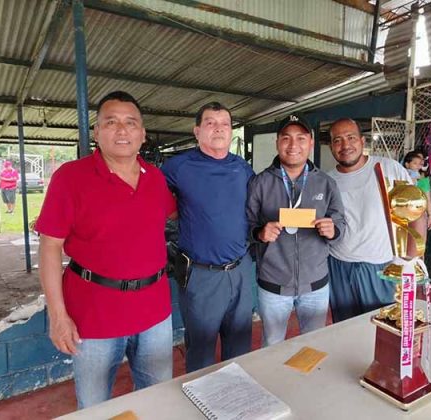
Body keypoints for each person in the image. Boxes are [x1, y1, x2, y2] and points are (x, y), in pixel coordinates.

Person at [36, 91, 177, 409]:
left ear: (142, 134)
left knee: (158, 401)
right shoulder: (70, 178)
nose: (122, 130)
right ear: (97, 132)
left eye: (131, 123)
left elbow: (175, 215)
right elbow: (50, 247)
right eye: (111, 122)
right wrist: (58, 316)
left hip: (154, 312)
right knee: (94, 406)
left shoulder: (155, 178)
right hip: (94, 314)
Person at [161, 102, 254, 373]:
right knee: (201, 352)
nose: (218, 129)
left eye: (224, 124)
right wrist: (173, 211)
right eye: (210, 123)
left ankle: (236, 394)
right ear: (197, 131)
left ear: (231, 131)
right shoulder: (178, 166)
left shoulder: (242, 168)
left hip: (240, 269)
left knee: (240, 348)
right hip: (202, 274)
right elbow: (150, 194)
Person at [246, 114, 345, 346]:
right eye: (286, 138)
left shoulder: (326, 183)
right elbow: (246, 225)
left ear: (311, 143)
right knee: (272, 345)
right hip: (273, 285)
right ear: (277, 143)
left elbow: (341, 222)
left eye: (301, 138)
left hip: (316, 285)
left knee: (314, 346)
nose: (293, 145)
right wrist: (259, 233)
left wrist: (333, 230)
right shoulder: (260, 183)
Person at [326, 118, 415, 322]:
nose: (345, 145)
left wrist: (409, 260)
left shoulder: (390, 169)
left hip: (381, 265)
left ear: (362, 141)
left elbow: (416, 213)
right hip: (339, 266)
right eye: (337, 140)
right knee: (344, 327)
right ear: (331, 146)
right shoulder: (326, 180)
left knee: (382, 328)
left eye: (351, 137)